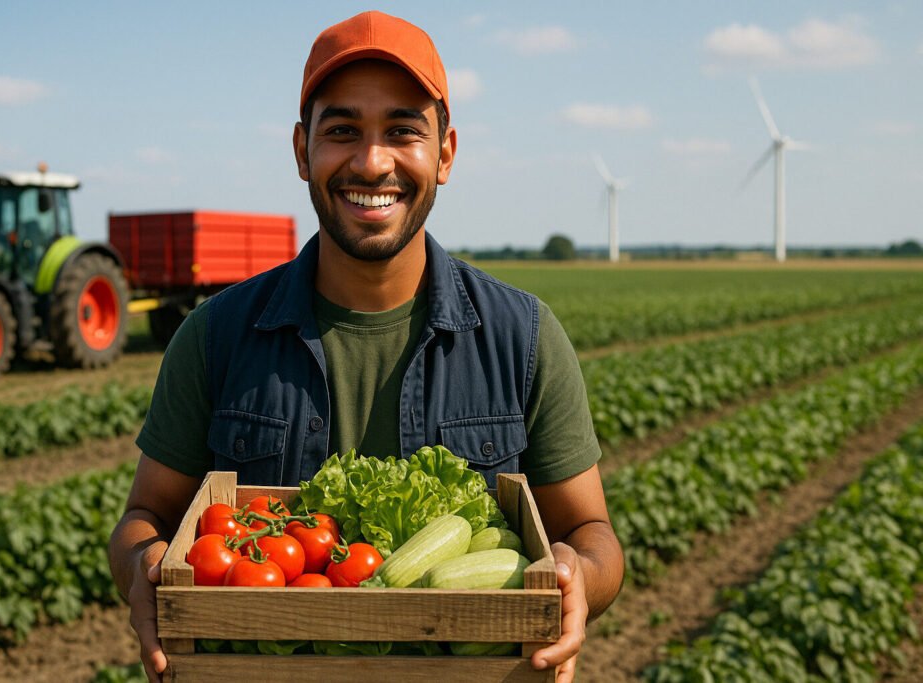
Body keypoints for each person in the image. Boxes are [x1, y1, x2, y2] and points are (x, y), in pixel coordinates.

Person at [108, 11, 624, 682]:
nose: (371, 161)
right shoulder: (215, 336)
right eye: (342, 130)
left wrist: (579, 574)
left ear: (445, 153)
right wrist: (142, 569)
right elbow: (143, 517)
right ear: (302, 151)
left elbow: (593, 535)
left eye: (403, 130)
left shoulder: (521, 337)